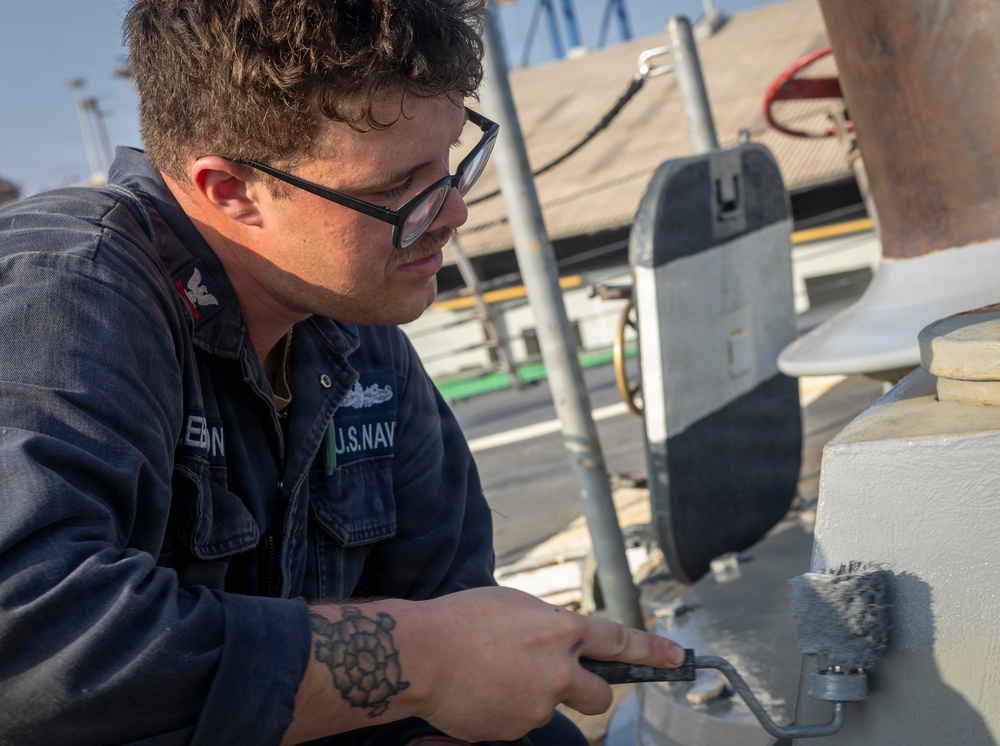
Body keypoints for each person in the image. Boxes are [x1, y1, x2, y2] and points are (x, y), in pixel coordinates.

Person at [0, 1, 685, 743]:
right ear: (230, 191)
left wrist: (457, 662)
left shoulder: (350, 314)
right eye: (396, 189)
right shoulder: (67, 293)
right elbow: (30, 638)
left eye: (453, 157)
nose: (452, 211)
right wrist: (424, 658)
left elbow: (447, 596)